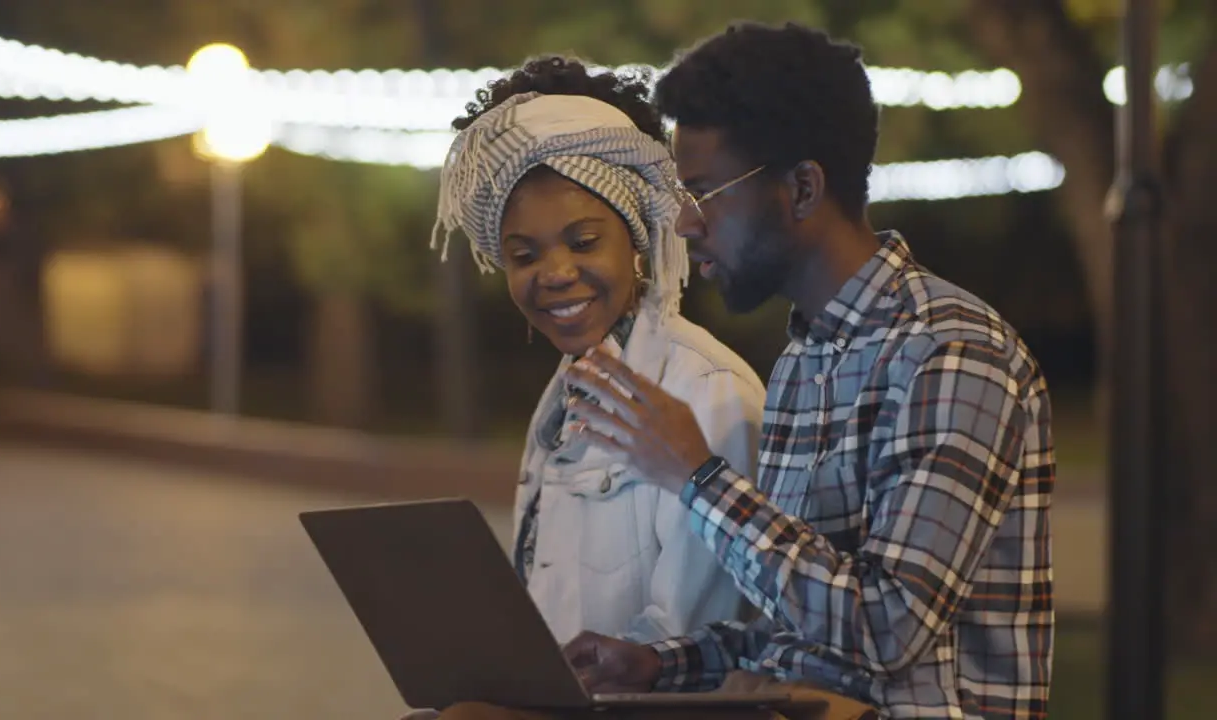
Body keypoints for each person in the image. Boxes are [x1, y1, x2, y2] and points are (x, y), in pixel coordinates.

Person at [438, 20, 1056, 720]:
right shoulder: (806, 360)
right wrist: (658, 663)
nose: (684, 224)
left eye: (703, 193)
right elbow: (795, 631)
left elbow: (887, 630)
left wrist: (697, 476)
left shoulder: (952, 352)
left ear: (800, 189)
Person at [417, 55, 765, 701]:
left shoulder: (704, 387)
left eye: (582, 242)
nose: (553, 273)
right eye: (524, 255)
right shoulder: (563, 397)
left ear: (635, 241)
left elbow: (698, 637)